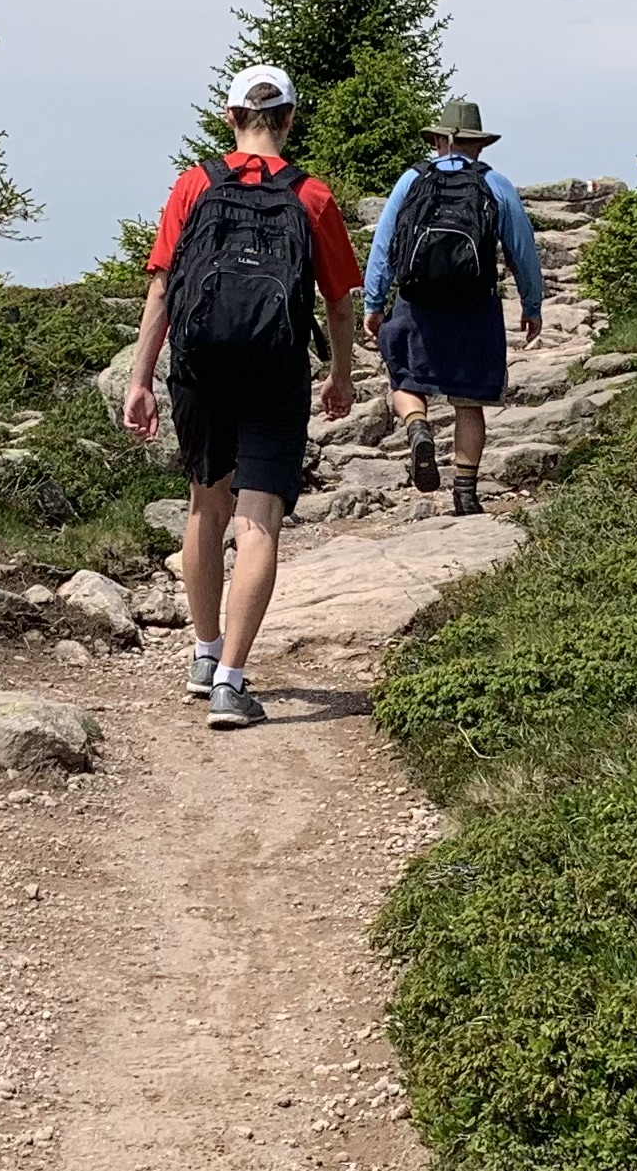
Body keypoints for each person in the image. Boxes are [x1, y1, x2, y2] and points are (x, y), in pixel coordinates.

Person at [120, 63, 360, 730]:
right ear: (288, 119)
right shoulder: (311, 197)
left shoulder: (195, 183)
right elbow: (339, 303)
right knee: (261, 515)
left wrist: (141, 379)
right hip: (274, 368)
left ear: (230, 118)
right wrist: (341, 375)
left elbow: (164, 287)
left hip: (199, 366)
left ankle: (204, 652)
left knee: (206, 502)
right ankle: (232, 681)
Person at [361, 97, 544, 517]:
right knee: (468, 402)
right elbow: (522, 250)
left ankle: (418, 427)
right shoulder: (495, 184)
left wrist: (374, 302)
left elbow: (385, 245)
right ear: (478, 145)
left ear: (440, 140)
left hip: (416, 302)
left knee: (406, 383)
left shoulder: (412, 180)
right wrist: (531, 306)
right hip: (474, 304)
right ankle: (465, 495)